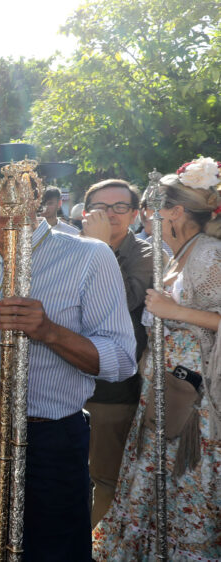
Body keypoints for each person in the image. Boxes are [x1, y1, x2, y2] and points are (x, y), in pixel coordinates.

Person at [0, 143, 136, 560]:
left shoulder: (86, 257)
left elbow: (120, 360)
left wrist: (49, 332)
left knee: (57, 550)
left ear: (22, 192)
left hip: (50, 439)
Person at [93, 160, 221, 559]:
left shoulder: (209, 254)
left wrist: (176, 312)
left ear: (176, 211)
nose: (149, 216)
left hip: (194, 401)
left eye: (154, 208)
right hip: (164, 391)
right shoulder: (181, 253)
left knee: (186, 488)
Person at [77, 180, 152, 526]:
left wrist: (102, 247)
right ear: (85, 213)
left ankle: (98, 547)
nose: (110, 214)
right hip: (66, 381)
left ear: (135, 214)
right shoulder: (70, 250)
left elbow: (124, 301)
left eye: (120, 207)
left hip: (112, 388)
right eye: (100, 207)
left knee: (104, 478)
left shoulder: (147, 255)